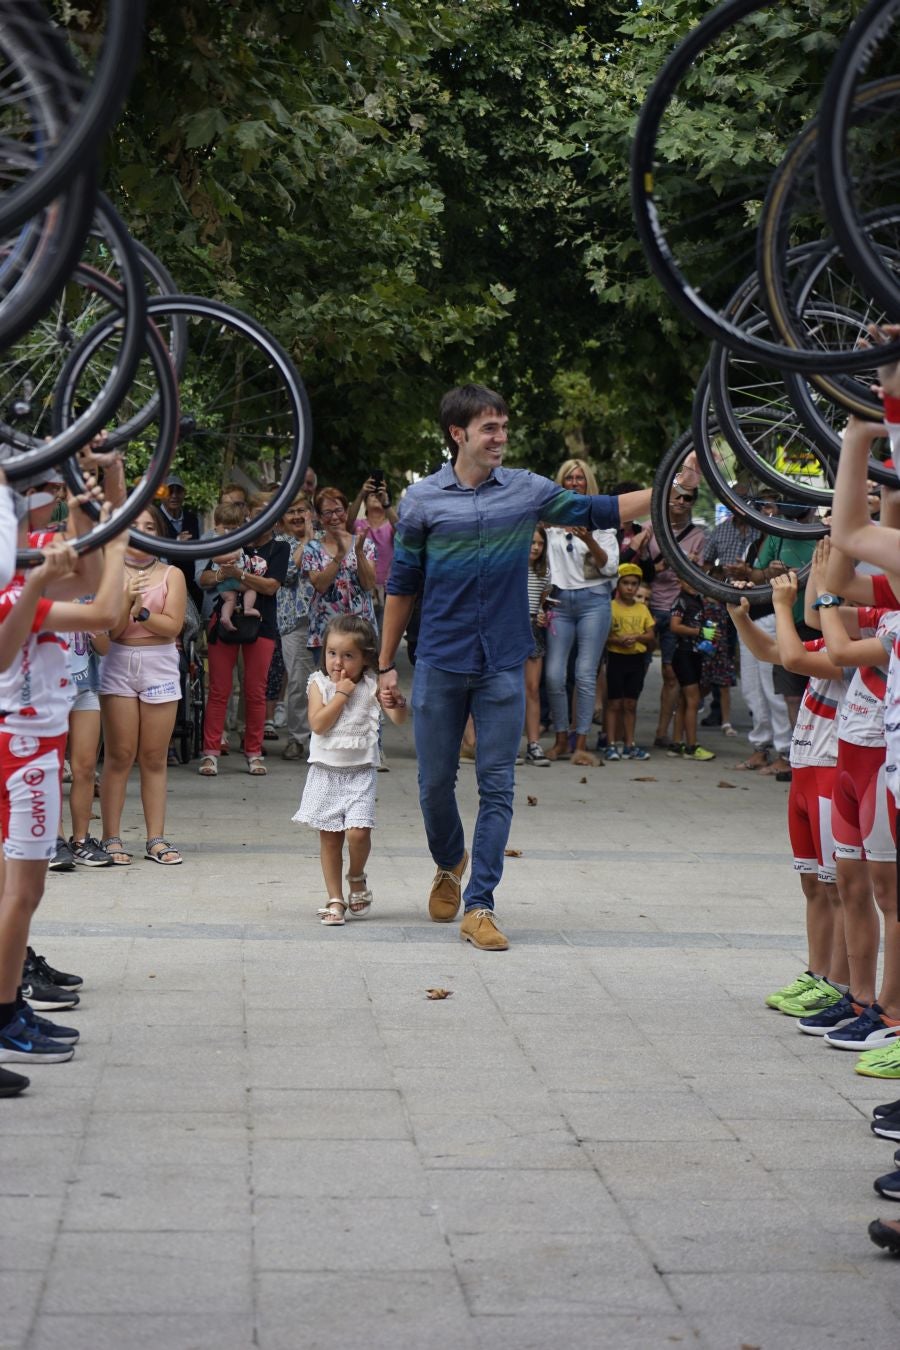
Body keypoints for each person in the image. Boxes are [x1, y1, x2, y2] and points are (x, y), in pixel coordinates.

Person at [376, 383, 698, 950]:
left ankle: (481, 905)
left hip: (503, 660)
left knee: (497, 785)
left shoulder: (526, 490)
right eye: (489, 428)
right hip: (439, 662)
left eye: (504, 426)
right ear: (458, 434)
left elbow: (600, 510)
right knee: (432, 785)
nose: (501, 437)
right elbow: (402, 587)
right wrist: (384, 666)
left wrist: (671, 485)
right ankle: (449, 859)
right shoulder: (423, 501)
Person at [0, 502, 126, 1091]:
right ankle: (5, 1017)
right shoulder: (11, 587)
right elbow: (104, 608)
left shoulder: (30, 557)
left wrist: (110, 495)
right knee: (24, 891)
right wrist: (123, 540)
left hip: (34, 742)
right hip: (20, 749)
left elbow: (89, 575)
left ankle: (8, 1010)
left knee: (20, 889)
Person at [292, 615, 407, 925]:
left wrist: (396, 701)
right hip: (325, 772)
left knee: (358, 833)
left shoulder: (371, 685)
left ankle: (356, 875)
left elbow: (398, 719)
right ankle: (335, 898)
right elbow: (318, 723)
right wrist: (341, 693)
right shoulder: (319, 684)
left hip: (360, 773)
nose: (338, 663)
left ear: (366, 657)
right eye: (332, 653)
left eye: (348, 655)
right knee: (330, 838)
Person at [98, 505, 187, 864]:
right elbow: (113, 630)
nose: (142, 532)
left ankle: (156, 838)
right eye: (135, 525)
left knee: (153, 757)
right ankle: (111, 837)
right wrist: (125, 600)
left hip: (160, 664)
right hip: (117, 661)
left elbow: (174, 626)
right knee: (119, 755)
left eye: (150, 526)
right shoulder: (109, 571)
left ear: (158, 534)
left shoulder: (172, 574)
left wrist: (144, 611)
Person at [197, 496, 289, 776]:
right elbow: (204, 578)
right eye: (255, 515)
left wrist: (239, 575)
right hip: (224, 621)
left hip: (261, 624)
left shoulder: (279, 548)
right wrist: (222, 575)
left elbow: (272, 587)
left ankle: (253, 751)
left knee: (255, 691)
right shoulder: (232, 541)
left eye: (266, 515)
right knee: (219, 689)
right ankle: (211, 752)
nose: (258, 521)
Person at [543, 458, 619, 767]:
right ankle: (561, 738)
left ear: (588, 482)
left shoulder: (600, 521)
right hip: (560, 604)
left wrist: (588, 538)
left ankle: (581, 743)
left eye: (579, 478)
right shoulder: (549, 523)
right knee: (554, 675)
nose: (574, 483)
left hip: (593, 603)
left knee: (585, 675)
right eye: (568, 478)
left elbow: (609, 566)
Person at [638, 482, 706, 748]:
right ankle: (619, 732)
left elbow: (698, 579)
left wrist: (686, 566)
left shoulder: (698, 535)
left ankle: (662, 732)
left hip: (676, 609)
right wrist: (660, 563)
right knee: (634, 665)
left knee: (671, 673)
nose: (680, 503)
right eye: (676, 497)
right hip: (647, 607)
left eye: (687, 499)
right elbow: (636, 569)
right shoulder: (649, 528)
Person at [301, 487, 377, 660]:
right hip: (326, 634)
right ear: (319, 518)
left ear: (347, 511)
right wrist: (339, 556)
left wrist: (358, 553)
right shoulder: (312, 548)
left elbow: (368, 584)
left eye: (338, 511)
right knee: (327, 686)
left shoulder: (365, 544)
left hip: (361, 633)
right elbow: (320, 585)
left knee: (364, 686)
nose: (334, 517)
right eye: (327, 513)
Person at [278, 493, 316, 762]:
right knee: (297, 683)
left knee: (326, 682)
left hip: (325, 620)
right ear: (282, 519)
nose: (296, 515)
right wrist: (306, 542)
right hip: (294, 623)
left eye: (301, 509)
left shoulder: (323, 538)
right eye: (290, 511)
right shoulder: (280, 543)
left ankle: (323, 739)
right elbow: (289, 573)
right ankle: (298, 739)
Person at [605, 562, 655, 760]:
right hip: (616, 658)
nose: (630, 587)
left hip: (636, 659)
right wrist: (618, 640)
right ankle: (610, 743)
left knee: (631, 704)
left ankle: (629, 744)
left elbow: (650, 634)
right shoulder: (610, 608)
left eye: (634, 583)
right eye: (625, 583)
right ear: (618, 584)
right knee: (614, 703)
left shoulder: (642, 609)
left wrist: (637, 637)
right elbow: (604, 636)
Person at [669, 577, 716, 761]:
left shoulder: (698, 600)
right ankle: (692, 746)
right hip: (683, 654)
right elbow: (675, 626)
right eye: (689, 579)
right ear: (680, 581)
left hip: (696, 654)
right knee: (693, 701)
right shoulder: (680, 600)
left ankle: (676, 743)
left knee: (684, 700)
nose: (692, 583)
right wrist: (700, 632)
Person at [348, 476, 397, 624]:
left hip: (387, 589)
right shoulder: (358, 525)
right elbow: (347, 522)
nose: (376, 497)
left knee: (382, 637)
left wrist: (386, 504)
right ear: (364, 502)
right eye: (371, 495)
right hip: (359, 587)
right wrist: (362, 493)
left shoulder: (390, 526)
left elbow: (402, 531)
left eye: (379, 494)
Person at [208, 502, 259, 632]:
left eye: (234, 528)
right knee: (251, 588)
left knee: (230, 599)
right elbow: (215, 558)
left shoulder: (235, 538)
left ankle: (225, 617)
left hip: (225, 582)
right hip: (228, 578)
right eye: (226, 528)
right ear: (216, 526)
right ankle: (247, 608)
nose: (230, 532)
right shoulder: (217, 540)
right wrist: (233, 557)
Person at [523, 526, 551, 767]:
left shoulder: (545, 572)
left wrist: (542, 614)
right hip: (510, 629)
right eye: (532, 542)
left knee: (532, 688)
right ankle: (508, 744)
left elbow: (543, 600)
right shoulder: (511, 568)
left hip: (533, 629)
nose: (536, 547)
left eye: (540, 544)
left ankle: (533, 743)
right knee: (510, 689)